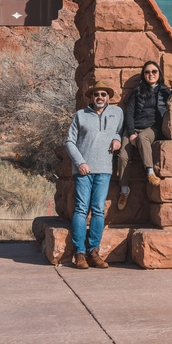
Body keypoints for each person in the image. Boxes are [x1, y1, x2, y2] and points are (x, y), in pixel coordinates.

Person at [65, 80, 123, 269]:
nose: (100, 97)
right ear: (91, 97)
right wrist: (80, 162)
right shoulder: (80, 115)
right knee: (81, 209)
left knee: (98, 209)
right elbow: (69, 142)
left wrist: (117, 138)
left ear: (108, 97)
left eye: (103, 94)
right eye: (96, 94)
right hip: (84, 170)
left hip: (104, 169)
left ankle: (94, 252)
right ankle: (79, 253)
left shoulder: (117, 113)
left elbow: (120, 131)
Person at [117, 60, 172, 211]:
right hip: (133, 128)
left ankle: (150, 172)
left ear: (159, 74)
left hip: (152, 128)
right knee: (123, 156)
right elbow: (129, 113)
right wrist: (130, 134)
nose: (151, 74)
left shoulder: (164, 91)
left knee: (143, 138)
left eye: (154, 72)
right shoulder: (136, 91)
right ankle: (124, 190)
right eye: (147, 72)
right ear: (143, 75)